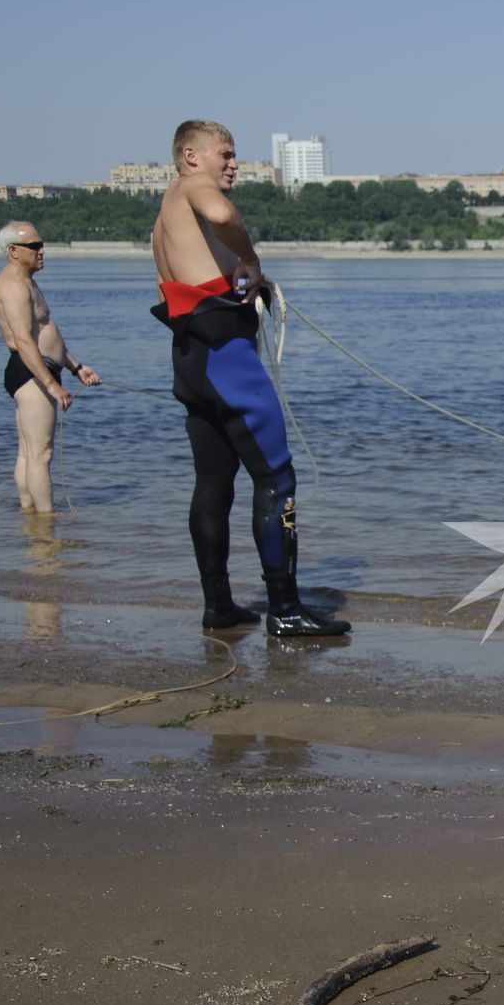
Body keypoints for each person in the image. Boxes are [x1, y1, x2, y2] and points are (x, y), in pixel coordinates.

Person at [151, 119, 348, 636]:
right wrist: (252, 262)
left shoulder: (164, 216)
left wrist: (242, 286)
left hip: (192, 358)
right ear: (191, 157)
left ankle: (218, 607)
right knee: (277, 478)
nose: (234, 163)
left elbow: (182, 284)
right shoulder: (197, 187)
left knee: (213, 485)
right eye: (226, 153)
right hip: (226, 358)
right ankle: (285, 610)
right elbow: (221, 213)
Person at [0, 223, 101, 513]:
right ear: (13, 251)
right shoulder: (12, 286)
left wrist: (76, 368)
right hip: (32, 373)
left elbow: (46, 333)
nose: (42, 251)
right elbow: (25, 341)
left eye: (41, 244)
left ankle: (30, 518)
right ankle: (47, 527)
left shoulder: (25, 280)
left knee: (29, 453)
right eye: (34, 246)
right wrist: (52, 384)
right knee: (41, 454)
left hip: (38, 369)